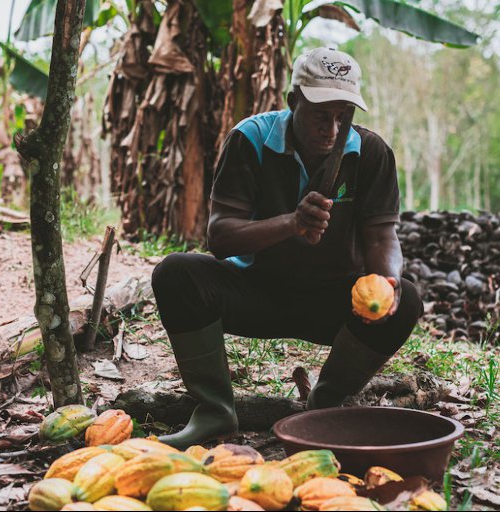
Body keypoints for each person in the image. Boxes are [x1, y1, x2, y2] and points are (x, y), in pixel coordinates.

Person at [150, 47, 423, 448]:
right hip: (255, 292)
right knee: (175, 273)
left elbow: (383, 236)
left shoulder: (371, 153)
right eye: (319, 114)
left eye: (343, 115)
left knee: (408, 300)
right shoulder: (251, 139)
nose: (332, 128)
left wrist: (388, 280)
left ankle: (324, 406)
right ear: (292, 101)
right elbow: (220, 237)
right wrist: (291, 224)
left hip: (332, 302)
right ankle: (214, 413)